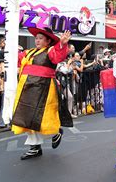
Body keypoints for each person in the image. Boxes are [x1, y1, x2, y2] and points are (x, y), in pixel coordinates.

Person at [11, 28, 72, 160]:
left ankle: (55, 133)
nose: (37, 40)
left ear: (48, 41)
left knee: (43, 116)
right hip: (27, 88)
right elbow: (15, 60)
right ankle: (35, 147)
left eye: (40, 38)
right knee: (27, 116)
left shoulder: (51, 51)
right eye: (36, 38)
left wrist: (62, 44)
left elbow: (58, 57)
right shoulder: (29, 52)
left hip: (43, 87)